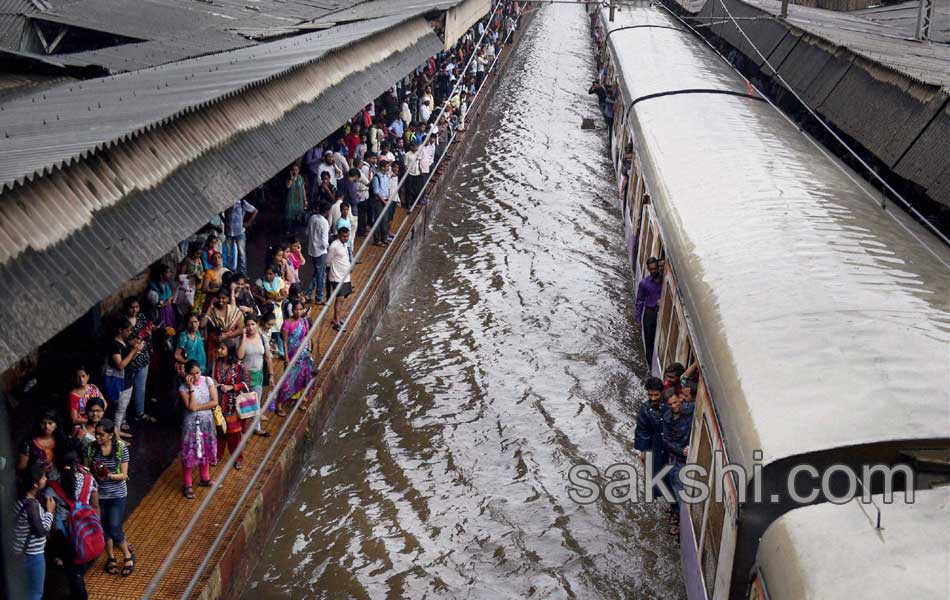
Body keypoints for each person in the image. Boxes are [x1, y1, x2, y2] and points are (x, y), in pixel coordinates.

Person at [86, 418, 134, 576]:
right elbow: (87, 471)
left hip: (117, 494)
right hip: (98, 496)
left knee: (114, 527)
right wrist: (95, 473)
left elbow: (124, 475)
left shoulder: (121, 448)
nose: (97, 437)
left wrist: (107, 475)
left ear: (110, 435)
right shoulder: (91, 449)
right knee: (104, 528)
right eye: (96, 434)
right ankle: (111, 557)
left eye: (101, 435)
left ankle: (127, 554)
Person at [56, 445, 99, 599]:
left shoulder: (53, 486)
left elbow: (53, 514)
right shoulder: (89, 480)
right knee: (80, 563)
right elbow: (95, 504)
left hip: (64, 532)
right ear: (77, 462)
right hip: (85, 527)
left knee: (71, 567)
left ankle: (79, 592)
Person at [13, 464, 55, 600]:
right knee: (35, 593)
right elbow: (41, 531)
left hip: (17, 552)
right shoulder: (32, 505)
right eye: (43, 477)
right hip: (32, 555)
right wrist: (50, 512)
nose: (45, 478)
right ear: (35, 484)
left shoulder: (18, 499)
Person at [178, 360, 219, 499]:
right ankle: (187, 485)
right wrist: (191, 388)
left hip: (207, 422)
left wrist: (199, 408)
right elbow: (191, 406)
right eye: (192, 374)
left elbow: (214, 401)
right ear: (187, 374)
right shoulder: (183, 388)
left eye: (198, 373)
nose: (196, 377)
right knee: (189, 453)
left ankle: (205, 478)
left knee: (206, 448)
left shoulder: (208, 381)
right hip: (191, 425)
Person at [211, 343, 252, 467]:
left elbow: (246, 384)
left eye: (222, 348)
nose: (219, 350)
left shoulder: (239, 366)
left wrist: (232, 387)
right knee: (220, 432)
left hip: (233, 406)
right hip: (219, 404)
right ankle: (218, 455)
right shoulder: (216, 363)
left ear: (230, 350)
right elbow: (212, 379)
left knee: (234, 434)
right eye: (219, 347)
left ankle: (238, 458)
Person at [103, 317, 142, 439]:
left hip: (127, 379)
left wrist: (136, 351)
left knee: (122, 409)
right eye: (128, 330)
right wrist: (133, 351)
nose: (130, 333)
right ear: (120, 330)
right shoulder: (115, 345)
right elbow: (120, 365)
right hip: (120, 381)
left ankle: (117, 431)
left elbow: (128, 361)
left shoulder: (123, 342)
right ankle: (116, 436)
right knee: (118, 410)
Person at [276, 301, 314, 417]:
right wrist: (286, 358)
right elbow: (285, 342)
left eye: (300, 309)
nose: (298, 312)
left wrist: (309, 351)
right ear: (292, 310)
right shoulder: (287, 324)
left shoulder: (304, 321)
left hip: (303, 355)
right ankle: (279, 405)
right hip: (292, 356)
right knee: (287, 381)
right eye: (296, 309)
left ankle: (301, 401)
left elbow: (308, 336)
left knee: (304, 378)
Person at [124, 297, 157, 425]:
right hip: (129, 359)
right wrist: (131, 342)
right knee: (126, 389)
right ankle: (124, 417)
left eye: (137, 307)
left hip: (142, 357)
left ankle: (139, 412)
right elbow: (120, 339)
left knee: (140, 387)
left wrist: (148, 333)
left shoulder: (142, 318)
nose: (134, 310)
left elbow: (147, 337)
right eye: (132, 307)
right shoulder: (122, 321)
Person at [662, 388, 690, 536]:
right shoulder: (667, 420)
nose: (674, 406)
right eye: (670, 404)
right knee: (680, 495)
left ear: (679, 399)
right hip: (677, 461)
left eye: (675, 402)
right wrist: (681, 451)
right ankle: (679, 521)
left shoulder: (690, 410)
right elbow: (667, 442)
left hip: (690, 458)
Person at [239, 316, 274, 436]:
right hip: (244, 376)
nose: (250, 327)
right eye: (248, 325)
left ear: (257, 325)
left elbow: (268, 357)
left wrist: (271, 374)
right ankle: (242, 430)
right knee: (244, 403)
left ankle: (256, 427)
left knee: (256, 403)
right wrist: (243, 337)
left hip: (258, 375)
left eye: (253, 324)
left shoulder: (263, 338)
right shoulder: (242, 339)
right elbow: (240, 355)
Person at [18, 409, 65, 480]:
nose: (46, 427)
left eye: (50, 423)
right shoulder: (29, 443)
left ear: (56, 425)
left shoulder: (60, 440)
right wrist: (39, 470)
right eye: (43, 423)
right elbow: (21, 468)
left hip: (58, 480)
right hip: (35, 482)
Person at [634, 377, 667, 477]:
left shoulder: (669, 404)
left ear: (662, 392)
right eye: (650, 395)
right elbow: (642, 431)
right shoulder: (645, 409)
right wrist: (643, 451)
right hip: (655, 446)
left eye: (656, 395)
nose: (653, 398)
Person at [635, 257, 663, 367]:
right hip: (650, 313)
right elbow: (639, 301)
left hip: (660, 312)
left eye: (655, 268)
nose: (654, 271)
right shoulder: (644, 283)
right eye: (651, 269)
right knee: (648, 340)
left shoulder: (663, 280)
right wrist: (638, 319)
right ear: (648, 269)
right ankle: (650, 365)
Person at [202, 289, 244, 356]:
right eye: (219, 298)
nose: (221, 300)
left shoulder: (233, 310)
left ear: (228, 299)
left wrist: (227, 335)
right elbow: (202, 325)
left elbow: (240, 330)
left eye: (223, 298)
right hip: (215, 345)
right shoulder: (212, 311)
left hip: (230, 345)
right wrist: (210, 307)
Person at [327, 226, 354, 331]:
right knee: (340, 298)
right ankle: (336, 322)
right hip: (337, 277)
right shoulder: (334, 246)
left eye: (347, 236)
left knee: (342, 299)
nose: (346, 238)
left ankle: (336, 318)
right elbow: (328, 261)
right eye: (344, 236)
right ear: (339, 235)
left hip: (345, 276)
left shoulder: (345, 244)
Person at [223, 196, 257, 274]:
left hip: (240, 232)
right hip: (228, 231)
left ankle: (243, 273)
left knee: (242, 253)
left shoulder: (242, 202)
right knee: (228, 253)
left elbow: (255, 211)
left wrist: (248, 223)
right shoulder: (226, 202)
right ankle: (229, 272)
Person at [68, 366, 106, 433]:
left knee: (113, 429)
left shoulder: (93, 387)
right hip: (84, 423)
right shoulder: (73, 395)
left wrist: (98, 417)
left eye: (83, 376)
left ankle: (119, 442)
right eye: (78, 377)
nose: (81, 379)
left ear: (88, 377)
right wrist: (92, 420)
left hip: (97, 419)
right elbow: (74, 419)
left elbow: (105, 404)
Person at [306, 202, 330, 304]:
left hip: (312, 249)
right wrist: (328, 246)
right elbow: (325, 241)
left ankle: (309, 292)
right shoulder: (324, 222)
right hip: (321, 251)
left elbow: (307, 232)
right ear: (327, 211)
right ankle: (319, 297)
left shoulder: (312, 218)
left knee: (316, 272)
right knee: (320, 274)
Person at [371, 160, 391, 246]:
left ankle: (384, 238)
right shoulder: (376, 177)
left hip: (386, 200)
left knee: (385, 220)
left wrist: (388, 198)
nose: (388, 168)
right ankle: (377, 240)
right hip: (379, 201)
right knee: (378, 220)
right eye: (386, 166)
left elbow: (388, 188)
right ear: (382, 167)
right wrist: (384, 201)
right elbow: (376, 191)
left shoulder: (386, 176)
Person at [285, 164, 307, 234]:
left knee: (298, 215)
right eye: (293, 170)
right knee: (289, 216)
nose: (295, 171)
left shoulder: (301, 178)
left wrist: (305, 199)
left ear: (298, 170)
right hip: (291, 200)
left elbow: (303, 189)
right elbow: (288, 186)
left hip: (299, 199)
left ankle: (295, 229)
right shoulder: (289, 179)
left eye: (296, 170)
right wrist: (291, 178)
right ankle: (288, 230)